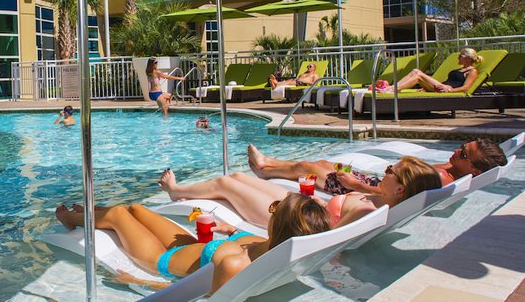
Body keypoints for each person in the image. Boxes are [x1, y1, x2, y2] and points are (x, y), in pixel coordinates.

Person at [54, 192, 329, 292]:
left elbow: (198, 294)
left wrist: (136, 281)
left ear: (280, 224)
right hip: (188, 245)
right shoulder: (270, 244)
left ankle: (72, 219)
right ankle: (91, 215)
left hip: (161, 259)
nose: (271, 211)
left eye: (275, 209)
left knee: (118, 214)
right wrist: (232, 230)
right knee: (136, 208)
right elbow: (242, 241)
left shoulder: (235, 265)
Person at [159, 155, 441, 229]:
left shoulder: (367, 210)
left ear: (401, 188)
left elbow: (327, 239)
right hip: (305, 206)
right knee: (237, 176)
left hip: (292, 219)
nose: (385, 170)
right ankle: (182, 190)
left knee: (225, 184)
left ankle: (175, 190)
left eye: (391, 170)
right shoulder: (380, 198)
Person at [248, 139, 507, 195]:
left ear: (474, 170)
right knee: (324, 163)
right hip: (375, 181)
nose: (457, 151)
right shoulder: (452, 170)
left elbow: (396, 197)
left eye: (463, 153)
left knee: (308, 166)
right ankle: (270, 163)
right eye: (462, 146)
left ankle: (264, 169)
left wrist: (355, 184)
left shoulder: (441, 178)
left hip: (362, 188)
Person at [393, 47, 482, 93]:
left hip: (446, 88)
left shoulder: (472, 71)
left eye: (460, 56)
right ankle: (392, 88)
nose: (458, 58)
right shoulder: (460, 69)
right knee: (415, 72)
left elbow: (466, 87)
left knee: (417, 72)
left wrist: (449, 91)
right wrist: (426, 87)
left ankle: (393, 89)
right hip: (441, 86)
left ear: (468, 59)